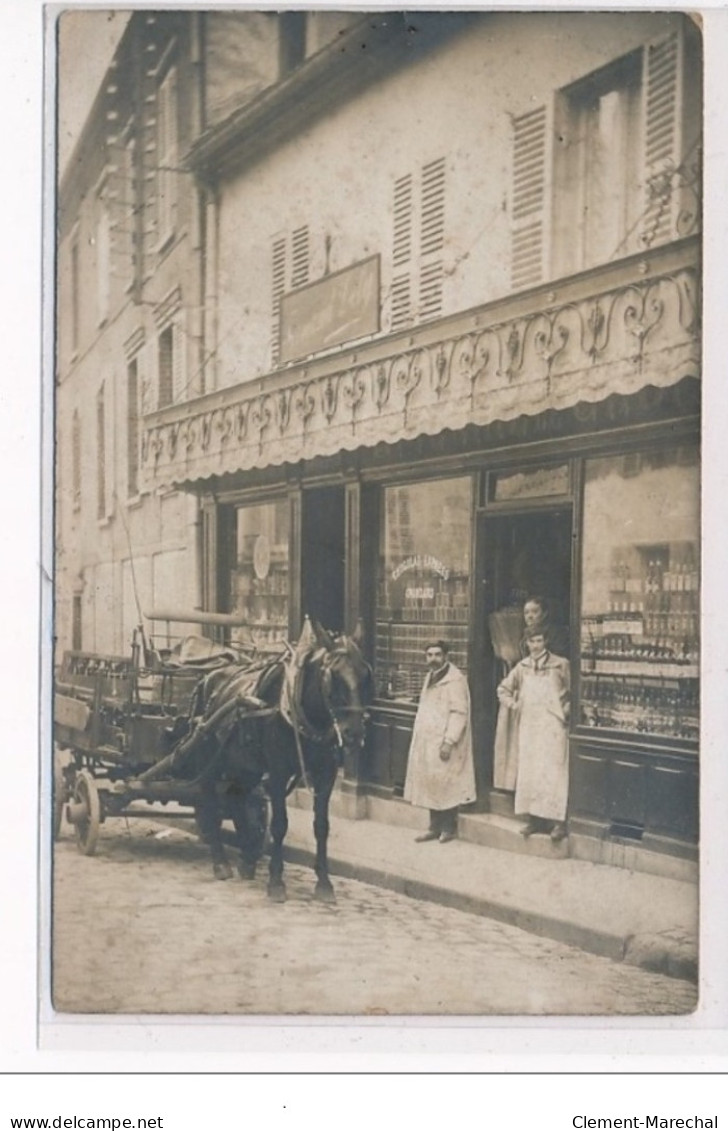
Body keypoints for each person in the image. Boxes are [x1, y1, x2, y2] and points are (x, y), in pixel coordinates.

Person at [496, 627, 570, 842]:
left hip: (553, 728)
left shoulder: (560, 664)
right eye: (532, 642)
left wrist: (565, 713)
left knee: (553, 774)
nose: (536, 645)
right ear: (526, 644)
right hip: (529, 727)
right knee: (531, 773)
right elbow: (503, 689)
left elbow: (574, 693)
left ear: (545, 641)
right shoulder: (522, 667)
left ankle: (558, 823)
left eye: (539, 641)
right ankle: (535, 820)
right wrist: (514, 705)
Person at [404, 640, 476, 843]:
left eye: (437, 654)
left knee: (447, 783)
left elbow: (459, 713)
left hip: (445, 740)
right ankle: (433, 826)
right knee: (431, 782)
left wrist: (449, 741)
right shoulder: (430, 677)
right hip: (428, 740)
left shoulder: (455, 680)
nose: (433, 659)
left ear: (446, 656)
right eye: (429, 655)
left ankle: (448, 828)